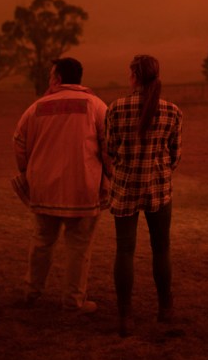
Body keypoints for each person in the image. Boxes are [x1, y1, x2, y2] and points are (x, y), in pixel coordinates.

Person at [12, 57, 109, 312]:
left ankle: (32, 293)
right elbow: (110, 145)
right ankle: (73, 300)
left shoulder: (37, 107)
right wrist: (108, 175)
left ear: (56, 78)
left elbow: (19, 143)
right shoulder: (95, 106)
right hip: (83, 189)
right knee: (79, 247)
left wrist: (28, 170)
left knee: (42, 242)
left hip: (44, 188)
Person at [105, 54, 183, 337]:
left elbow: (111, 150)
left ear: (134, 76)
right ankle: (165, 309)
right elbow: (175, 156)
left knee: (124, 251)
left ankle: (125, 316)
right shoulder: (172, 111)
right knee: (161, 250)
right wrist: (159, 170)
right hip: (159, 190)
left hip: (125, 188)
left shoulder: (116, 108)